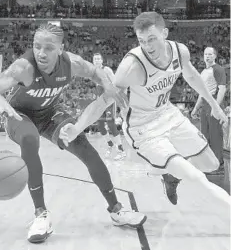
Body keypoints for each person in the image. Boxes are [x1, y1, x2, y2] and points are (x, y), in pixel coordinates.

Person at [0, 23, 146, 244]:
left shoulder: (71, 64)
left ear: (61, 49)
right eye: (37, 46)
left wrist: (108, 86)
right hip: (18, 114)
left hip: (49, 113)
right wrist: (0, 102)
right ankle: (41, 215)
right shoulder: (24, 67)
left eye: (48, 47)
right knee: (30, 139)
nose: (41, 52)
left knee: (84, 147)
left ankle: (116, 209)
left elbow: (96, 72)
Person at [59, 12, 230, 206]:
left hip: (168, 113)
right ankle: (170, 169)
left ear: (164, 33)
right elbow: (103, 101)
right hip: (143, 126)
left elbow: (191, 76)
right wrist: (77, 127)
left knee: (211, 164)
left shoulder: (179, 51)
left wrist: (215, 105)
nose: (148, 46)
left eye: (152, 39)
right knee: (194, 175)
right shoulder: (131, 67)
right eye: (142, 41)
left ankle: (170, 175)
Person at [191, 47, 226, 172]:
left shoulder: (218, 69)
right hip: (205, 106)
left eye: (210, 54)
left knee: (215, 136)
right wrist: (195, 108)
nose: (208, 56)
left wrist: (216, 108)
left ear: (215, 56)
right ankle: (209, 164)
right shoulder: (204, 71)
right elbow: (202, 92)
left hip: (214, 104)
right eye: (206, 54)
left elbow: (222, 89)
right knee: (205, 136)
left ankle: (219, 165)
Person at [92, 53, 126, 160]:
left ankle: (121, 150)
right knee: (100, 126)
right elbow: (98, 88)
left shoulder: (106, 70)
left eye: (98, 58)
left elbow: (115, 82)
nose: (97, 60)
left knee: (111, 124)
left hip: (110, 99)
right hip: (100, 100)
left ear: (102, 60)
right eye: (95, 59)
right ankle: (110, 145)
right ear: (93, 61)